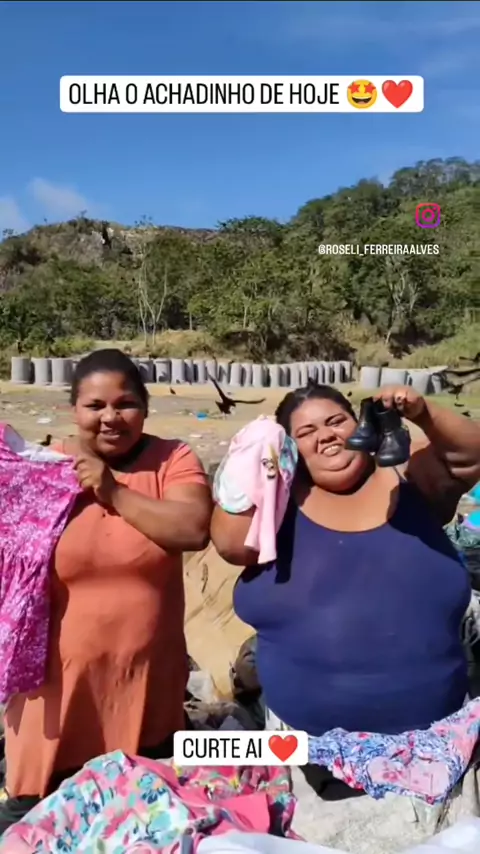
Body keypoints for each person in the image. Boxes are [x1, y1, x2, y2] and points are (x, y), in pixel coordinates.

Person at [1, 349, 212, 831]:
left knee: (138, 820)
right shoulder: (43, 469)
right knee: (35, 820)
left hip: (145, 689)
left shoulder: (172, 460)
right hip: (54, 695)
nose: (111, 417)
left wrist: (112, 490)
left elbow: (192, 528)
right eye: (95, 406)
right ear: (73, 410)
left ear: (145, 407)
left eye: (125, 404)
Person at [211, 383, 480, 739]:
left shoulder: (407, 479)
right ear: (289, 448)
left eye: (336, 421)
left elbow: (470, 454)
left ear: (361, 423)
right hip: (303, 748)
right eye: (306, 432)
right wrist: (255, 453)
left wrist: (423, 413)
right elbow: (231, 545)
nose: (325, 436)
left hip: (436, 743)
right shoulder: (276, 505)